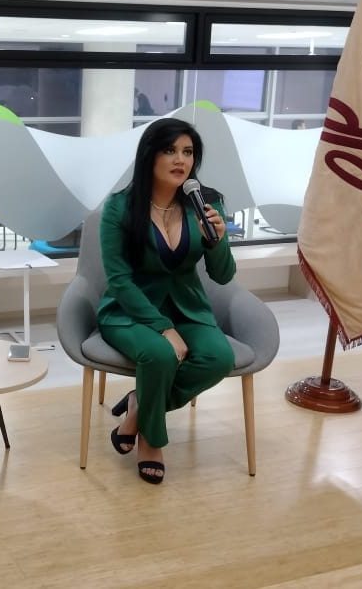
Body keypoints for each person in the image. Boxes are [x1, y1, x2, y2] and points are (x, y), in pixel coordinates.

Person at [98, 118, 236, 485]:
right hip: (130, 310)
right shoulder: (119, 207)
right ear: (150, 156)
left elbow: (223, 275)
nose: (181, 160)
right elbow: (119, 280)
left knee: (219, 358)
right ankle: (151, 441)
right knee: (160, 355)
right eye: (170, 150)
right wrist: (163, 328)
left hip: (187, 307)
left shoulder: (207, 203)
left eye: (188, 152)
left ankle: (137, 407)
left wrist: (218, 240)